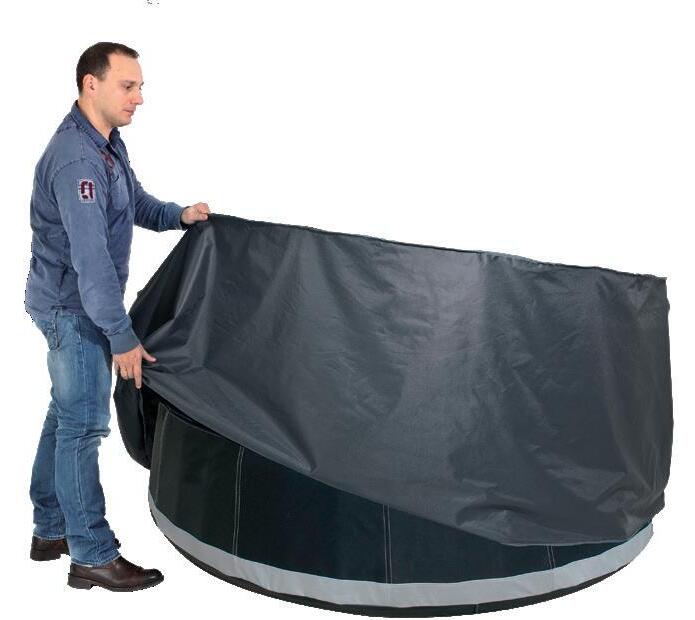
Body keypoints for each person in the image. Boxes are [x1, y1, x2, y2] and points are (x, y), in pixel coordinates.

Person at [24, 42, 211, 591]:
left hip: (77, 305)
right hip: (73, 310)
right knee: (83, 426)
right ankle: (91, 553)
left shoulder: (104, 144)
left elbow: (133, 203)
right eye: (128, 86)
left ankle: (50, 530)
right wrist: (121, 336)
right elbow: (92, 262)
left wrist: (178, 215)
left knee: (66, 415)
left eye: (140, 86)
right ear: (92, 84)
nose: (139, 97)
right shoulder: (77, 160)